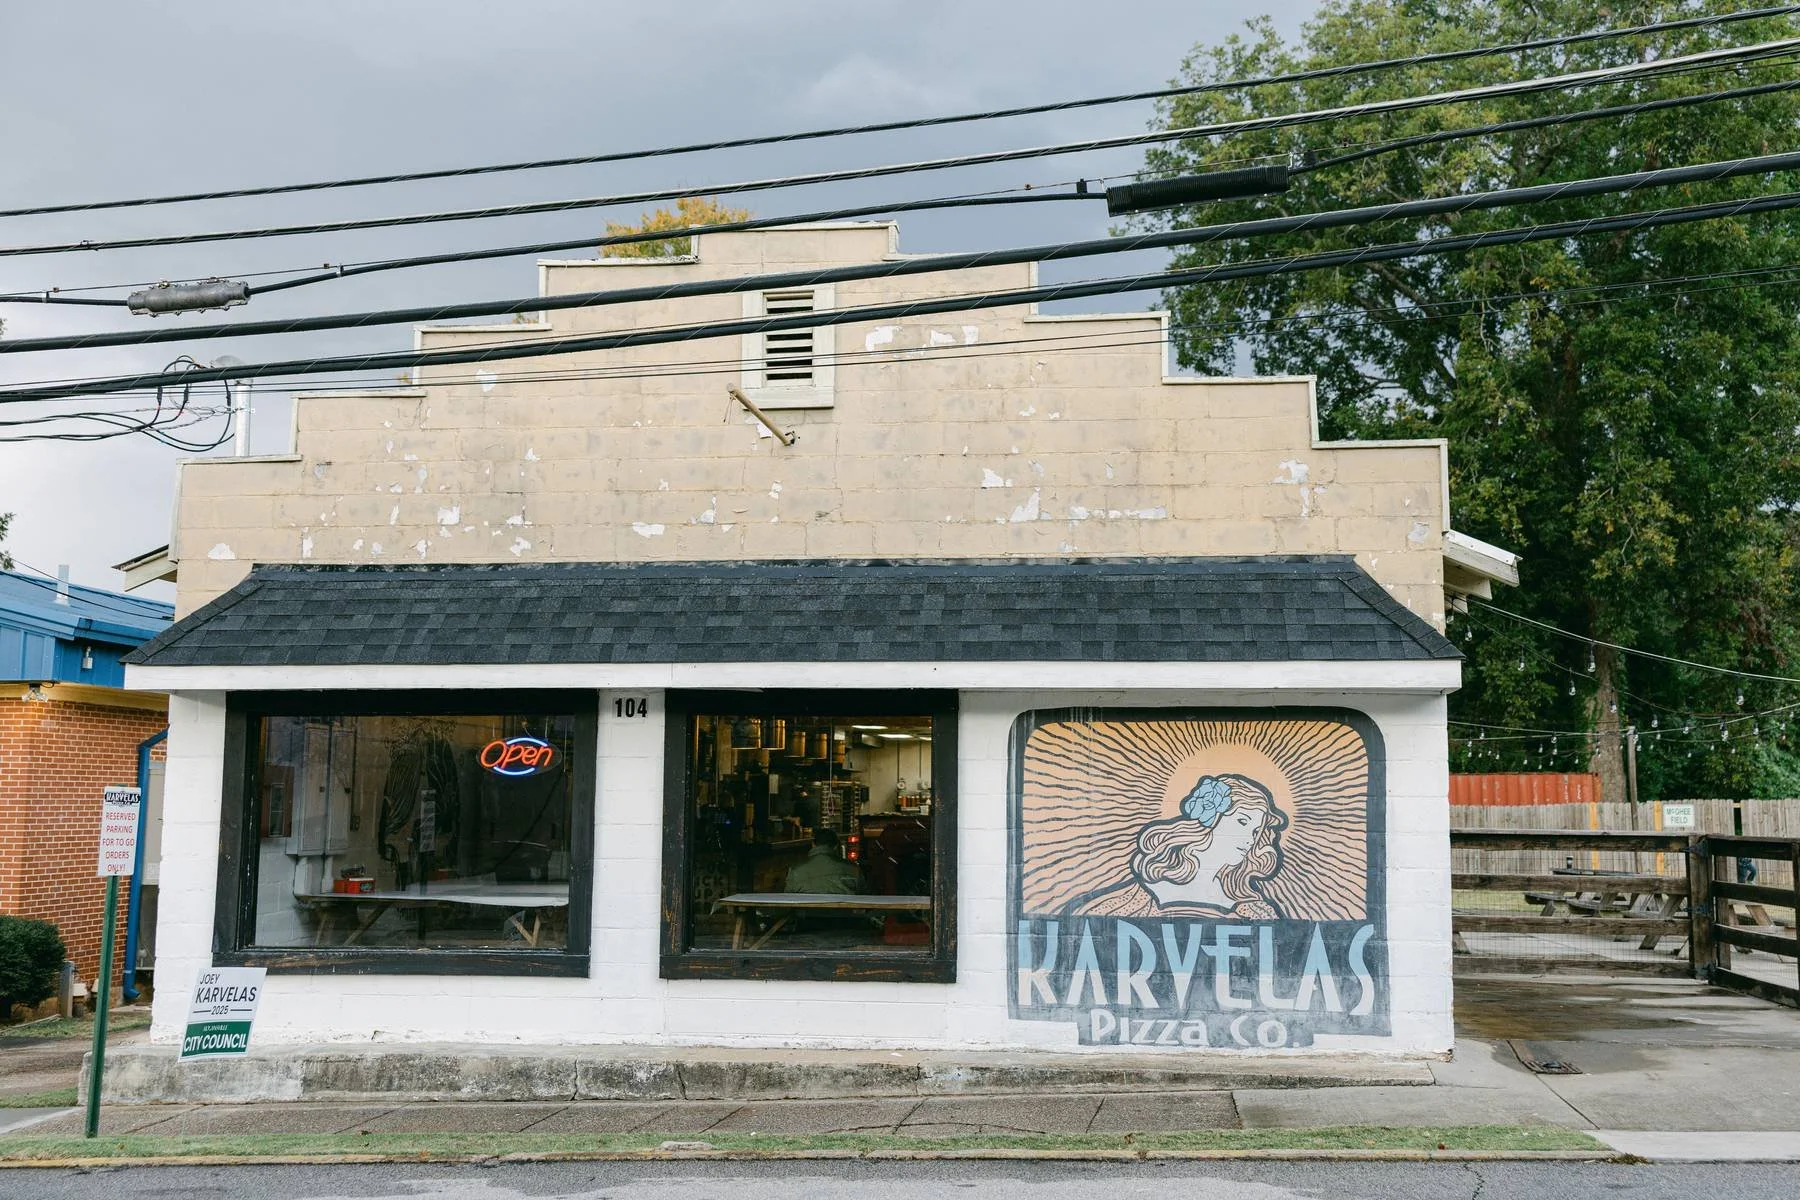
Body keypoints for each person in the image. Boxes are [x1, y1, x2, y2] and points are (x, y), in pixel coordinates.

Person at [1064, 773, 1287, 919]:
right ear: (1211, 819)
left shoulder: (1252, 911)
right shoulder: (1137, 900)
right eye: (1242, 822)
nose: (1250, 838)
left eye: (1256, 831)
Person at [785, 827, 862, 894]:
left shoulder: (796, 871)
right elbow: (863, 897)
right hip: (841, 911)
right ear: (835, 846)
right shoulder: (853, 870)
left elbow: (787, 901)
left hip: (807, 911)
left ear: (813, 845)